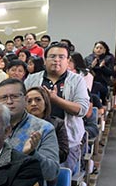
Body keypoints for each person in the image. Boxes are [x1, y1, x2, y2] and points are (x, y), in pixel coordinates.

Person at [25, 42, 90, 173]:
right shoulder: (32, 79)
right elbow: (23, 105)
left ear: (68, 61)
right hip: (32, 139)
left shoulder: (77, 80)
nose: (56, 60)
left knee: (58, 179)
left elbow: (81, 110)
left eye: (61, 57)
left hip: (66, 142)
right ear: (44, 59)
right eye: (52, 56)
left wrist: (55, 100)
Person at [27, 86, 69, 163]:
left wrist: (42, 148)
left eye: (38, 100)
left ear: (46, 102)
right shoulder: (20, 124)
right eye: (29, 101)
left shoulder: (57, 124)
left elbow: (63, 154)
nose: (33, 104)